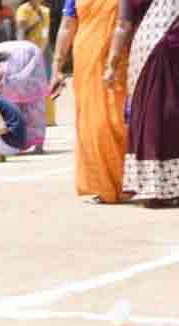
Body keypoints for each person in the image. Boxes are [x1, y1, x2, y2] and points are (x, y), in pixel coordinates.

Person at [105, 0, 179, 207]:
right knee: (163, 118)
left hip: (169, 54)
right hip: (156, 54)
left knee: (160, 117)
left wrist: (112, 64)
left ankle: (164, 187)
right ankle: (163, 186)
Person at [50, 0, 130, 203]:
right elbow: (67, 26)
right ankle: (100, 186)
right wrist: (57, 67)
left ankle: (128, 182)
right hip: (87, 58)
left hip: (120, 58)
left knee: (117, 120)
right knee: (92, 122)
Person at [0, 41, 50, 152]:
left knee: (33, 108)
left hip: (27, 58)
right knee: (23, 109)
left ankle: (34, 144)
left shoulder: (9, 74)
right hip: (16, 57)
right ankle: (22, 143)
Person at [16, 0, 57, 125]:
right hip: (30, 52)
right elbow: (21, 32)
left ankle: (49, 119)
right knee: (31, 85)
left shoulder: (46, 10)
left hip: (45, 50)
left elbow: (45, 33)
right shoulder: (23, 10)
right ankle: (31, 118)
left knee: (48, 83)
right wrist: (22, 52)